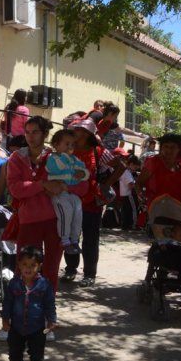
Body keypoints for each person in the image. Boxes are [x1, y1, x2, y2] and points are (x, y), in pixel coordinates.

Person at [7, 116, 84, 300]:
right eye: (27, 132)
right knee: (24, 267)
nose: (30, 136)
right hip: (28, 220)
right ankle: (21, 306)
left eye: (35, 132)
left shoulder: (58, 156)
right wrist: (42, 185)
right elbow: (15, 189)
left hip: (55, 221)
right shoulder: (17, 158)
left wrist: (63, 186)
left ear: (45, 134)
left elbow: (82, 186)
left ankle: (47, 307)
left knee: (50, 268)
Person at [61, 118, 125, 288]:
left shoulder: (98, 151)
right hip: (69, 201)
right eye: (74, 130)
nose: (76, 133)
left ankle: (89, 274)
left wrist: (106, 184)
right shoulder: (66, 150)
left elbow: (121, 166)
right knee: (70, 237)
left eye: (79, 130)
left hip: (91, 203)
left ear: (88, 134)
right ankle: (70, 269)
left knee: (90, 239)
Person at [1, 246, 56, 361]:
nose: (28, 268)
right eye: (25, 264)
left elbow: (49, 304)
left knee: (37, 351)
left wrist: (51, 320)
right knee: (14, 347)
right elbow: (7, 303)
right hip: (16, 325)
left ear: (39, 266)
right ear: (19, 265)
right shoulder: (14, 283)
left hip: (36, 327)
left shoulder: (44, 284)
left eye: (33, 265)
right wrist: (5, 319)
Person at [46, 129, 88, 255]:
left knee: (78, 215)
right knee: (66, 213)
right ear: (56, 145)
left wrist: (83, 173)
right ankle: (65, 240)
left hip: (72, 192)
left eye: (72, 144)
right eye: (67, 144)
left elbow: (84, 170)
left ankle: (74, 239)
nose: (70, 147)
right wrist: (66, 157)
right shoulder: (53, 158)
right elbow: (56, 169)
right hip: (60, 193)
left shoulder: (74, 159)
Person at [136, 133, 181, 208]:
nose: (169, 150)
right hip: (155, 209)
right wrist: (142, 200)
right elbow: (138, 183)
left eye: (173, 147)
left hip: (178, 210)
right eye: (166, 146)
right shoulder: (153, 162)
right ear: (161, 147)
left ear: (179, 149)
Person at [118, 154, 141, 230]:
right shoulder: (127, 173)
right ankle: (134, 224)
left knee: (126, 210)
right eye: (135, 167)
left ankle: (125, 225)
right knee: (134, 209)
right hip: (129, 195)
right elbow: (131, 185)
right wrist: (138, 187)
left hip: (124, 194)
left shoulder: (125, 172)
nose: (135, 169)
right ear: (131, 164)